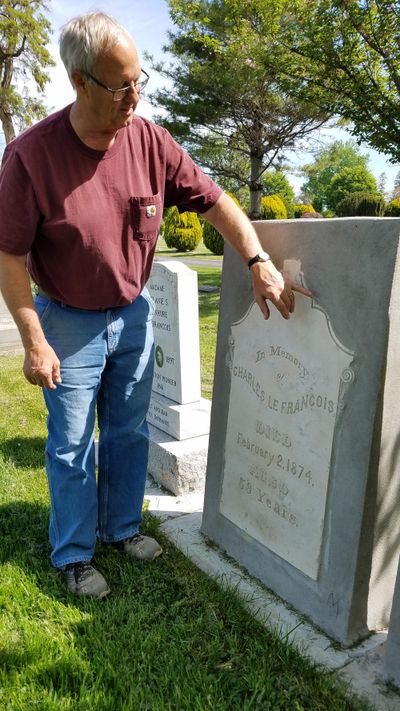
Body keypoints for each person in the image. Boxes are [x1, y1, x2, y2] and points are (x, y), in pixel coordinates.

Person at [0, 12, 310, 599]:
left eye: (140, 80)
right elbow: (8, 256)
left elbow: (215, 203)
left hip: (133, 314)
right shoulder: (30, 156)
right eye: (120, 86)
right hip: (66, 321)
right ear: (79, 81)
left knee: (128, 431)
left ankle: (120, 529)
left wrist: (256, 260)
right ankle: (72, 554)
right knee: (71, 444)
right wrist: (35, 337)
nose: (133, 97)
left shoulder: (150, 140)